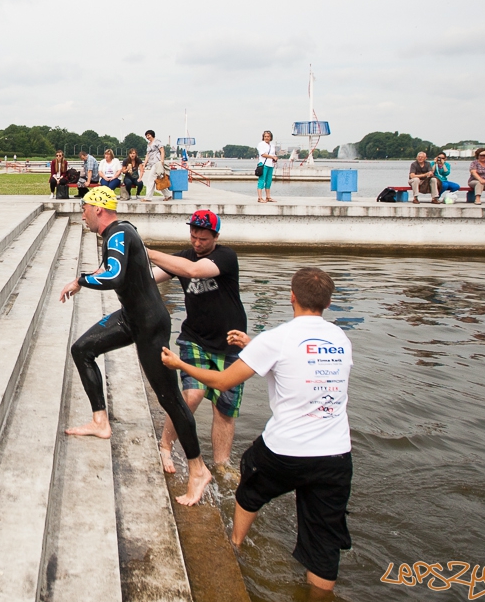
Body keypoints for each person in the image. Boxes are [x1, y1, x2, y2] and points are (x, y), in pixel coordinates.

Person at [162, 267, 353, 600]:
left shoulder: (277, 338)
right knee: (324, 546)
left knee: (249, 487)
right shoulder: (340, 338)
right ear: (329, 302)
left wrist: (181, 366)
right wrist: (254, 346)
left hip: (286, 450)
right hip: (336, 456)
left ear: (291, 296)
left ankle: (236, 544)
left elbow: (223, 382)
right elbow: (300, 361)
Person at [61, 187, 212, 506]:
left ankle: (199, 470)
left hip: (149, 325)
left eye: (85, 209)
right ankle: (100, 421)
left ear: (99, 210)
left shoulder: (116, 234)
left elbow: (114, 276)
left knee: (169, 397)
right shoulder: (122, 232)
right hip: (133, 317)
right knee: (82, 349)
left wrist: (81, 280)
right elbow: (115, 269)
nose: (83, 214)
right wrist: (83, 280)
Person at [147, 209, 248, 471]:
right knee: (192, 395)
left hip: (231, 344)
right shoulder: (184, 256)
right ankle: (165, 446)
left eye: (203, 238)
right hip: (195, 338)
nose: (196, 243)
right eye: (193, 236)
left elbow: (193, 271)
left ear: (215, 236)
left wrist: (148, 251)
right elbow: (151, 279)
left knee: (224, 411)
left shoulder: (226, 257)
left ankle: (221, 465)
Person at [256, 130, 278, 203]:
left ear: (270, 137)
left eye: (268, 136)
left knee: (268, 181)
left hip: (270, 165)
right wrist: (272, 157)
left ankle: (268, 197)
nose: (266, 138)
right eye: (265, 136)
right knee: (261, 180)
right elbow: (263, 154)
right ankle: (260, 197)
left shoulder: (272, 145)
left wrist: (275, 158)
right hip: (263, 164)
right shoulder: (261, 144)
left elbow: (273, 154)